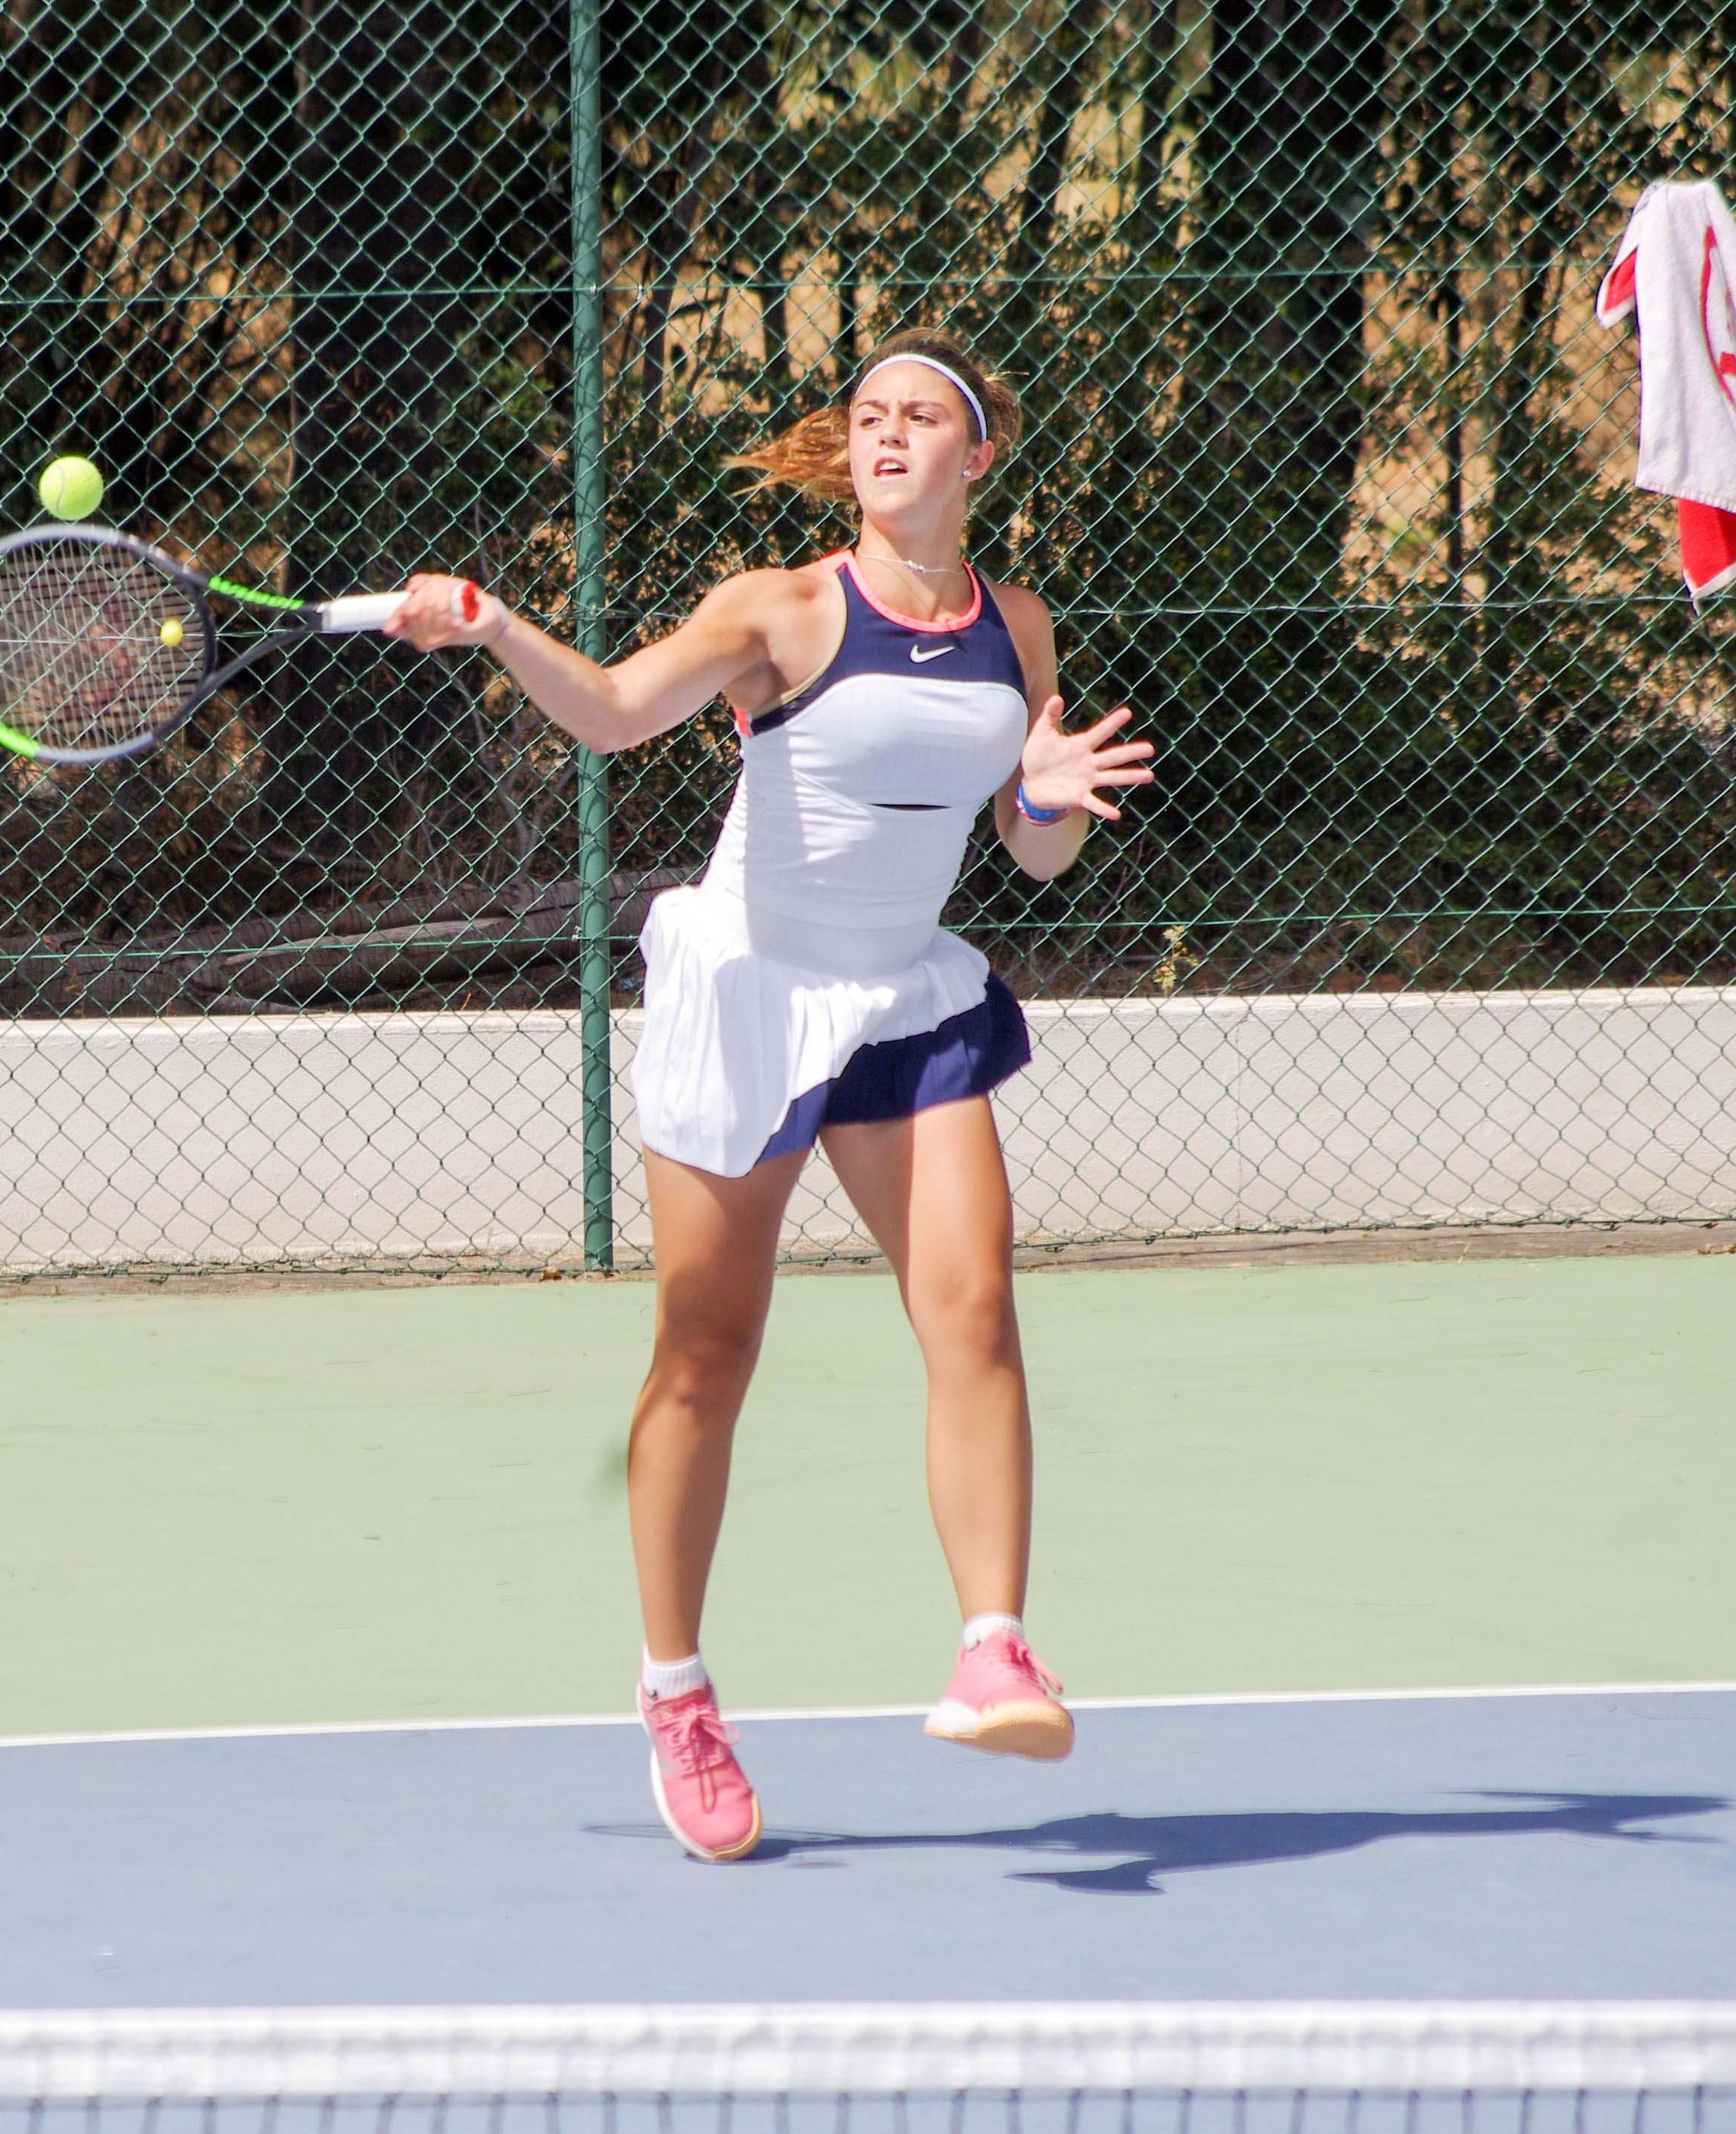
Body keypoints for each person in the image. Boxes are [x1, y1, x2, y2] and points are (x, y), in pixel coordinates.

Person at [383, 328, 1153, 1864]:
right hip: (751, 987)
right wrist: (491, 625)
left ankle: (990, 1641)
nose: (882, 436)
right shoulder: (782, 611)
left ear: (974, 453)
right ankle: (675, 1684)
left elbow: (1030, 848)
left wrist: (1050, 800)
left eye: (917, 415)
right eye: (864, 416)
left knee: (974, 1310)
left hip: (899, 997)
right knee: (705, 1351)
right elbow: (608, 712)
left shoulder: (1017, 627)